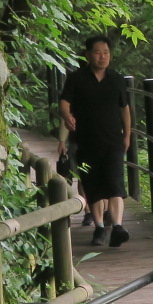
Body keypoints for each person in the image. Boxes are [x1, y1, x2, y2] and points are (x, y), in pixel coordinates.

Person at [59, 37, 133, 246]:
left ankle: (117, 227)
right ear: (88, 55)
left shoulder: (117, 79)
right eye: (98, 52)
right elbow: (64, 102)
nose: (103, 56)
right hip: (86, 141)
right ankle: (99, 227)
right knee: (93, 184)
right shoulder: (76, 79)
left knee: (115, 182)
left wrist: (127, 134)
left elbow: (125, 109)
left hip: (113, 140)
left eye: (106, 52)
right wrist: (67, 116)